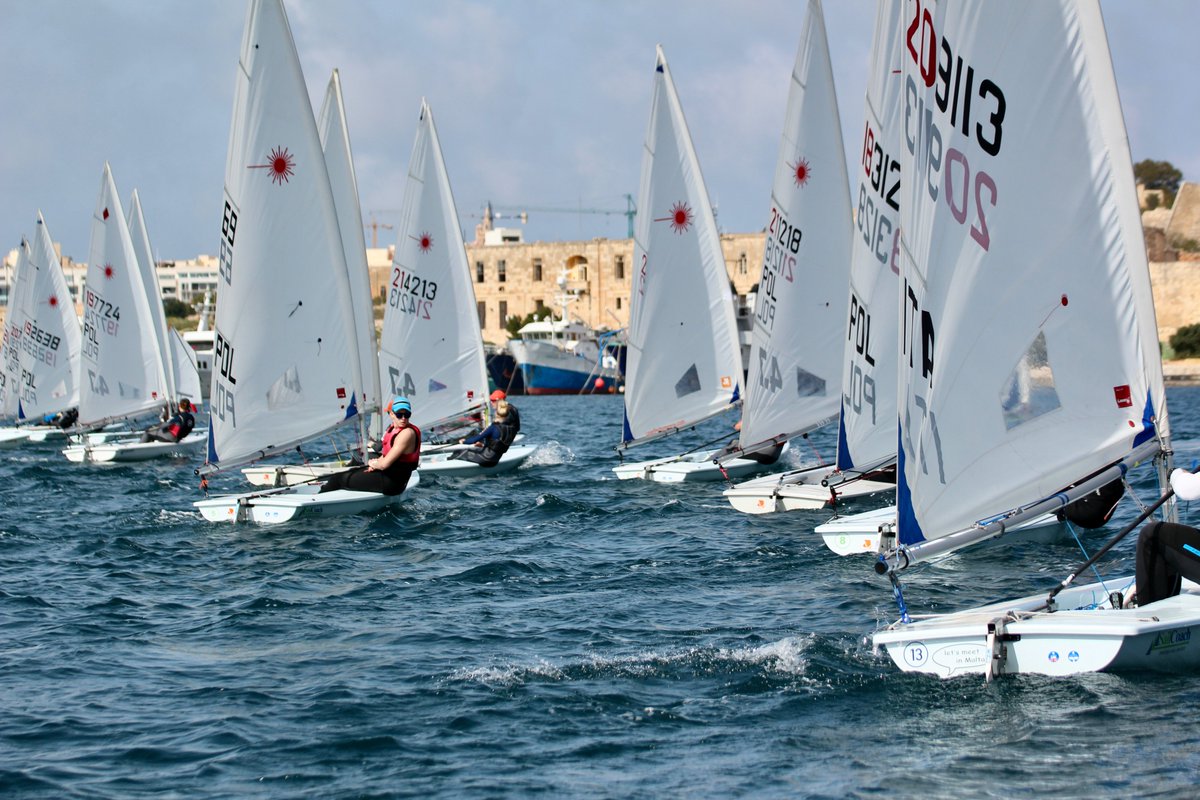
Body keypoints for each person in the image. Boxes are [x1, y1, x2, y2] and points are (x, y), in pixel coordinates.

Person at [319, 396, 420, 495]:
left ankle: (319, 497)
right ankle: (346, 478)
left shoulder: (407, 434)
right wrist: (375, 464)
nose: (403, 418)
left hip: (391, 484)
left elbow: (384, 465)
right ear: (392, 414)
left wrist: (374, 464)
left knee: (338, 477)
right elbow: (385, 456)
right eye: (399, 415)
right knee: (359, 459)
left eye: (407, 414)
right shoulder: (393, 429)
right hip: (387, 474)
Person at [452, 398, 519, 467]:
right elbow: (498, 444)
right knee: (477, 450)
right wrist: (483, 444)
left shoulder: (493, 427)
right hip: (495, 461)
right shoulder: (512, 429)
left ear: (496, 413)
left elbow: (474, 439)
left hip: (485, 459)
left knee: (458, 452)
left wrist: (463, 441)